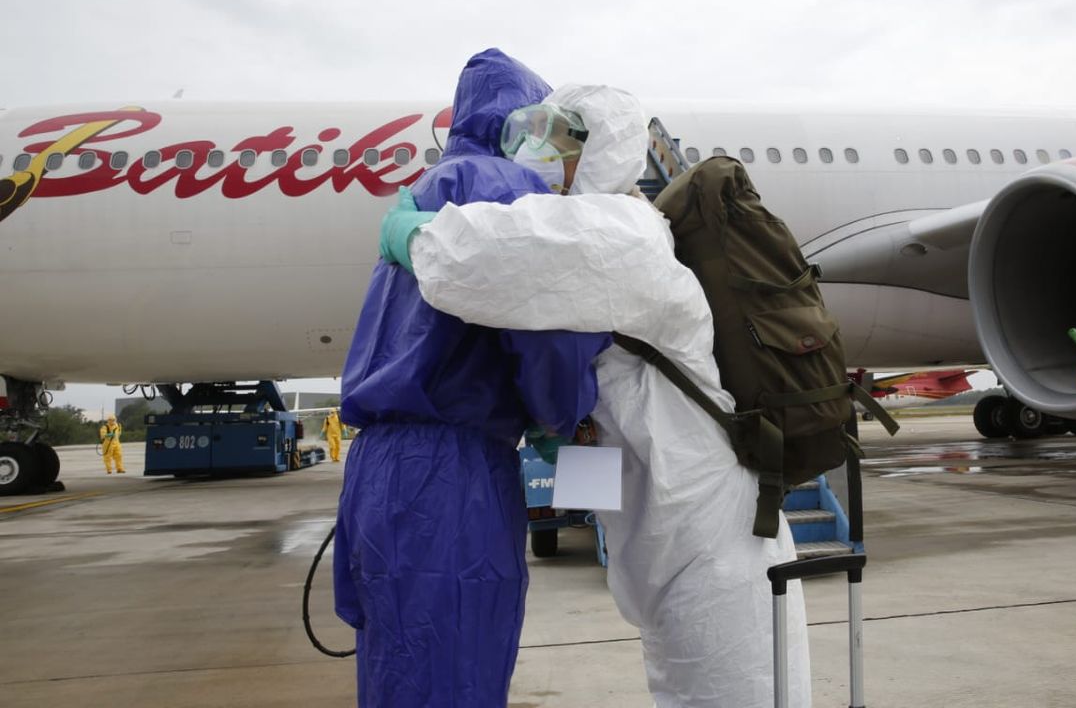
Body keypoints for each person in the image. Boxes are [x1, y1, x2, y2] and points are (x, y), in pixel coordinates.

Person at [384, 84, 812, 707]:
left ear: (604, 145)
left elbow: (485, 261)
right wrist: (570, 444)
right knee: (685, 688)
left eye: (555, 130)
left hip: (714, 543)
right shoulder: (604, 229)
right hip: (670, 535)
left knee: (739, 693)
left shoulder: (620, 231)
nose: (535, 145)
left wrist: (414, 235)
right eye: (527, 127)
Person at [333, 49, 612, 707]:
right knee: (453, 670)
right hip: (450, 474)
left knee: (396, 667)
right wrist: (567, 425)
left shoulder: (426, 191)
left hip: (377, 471)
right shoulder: (511, 189)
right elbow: (548, 334)